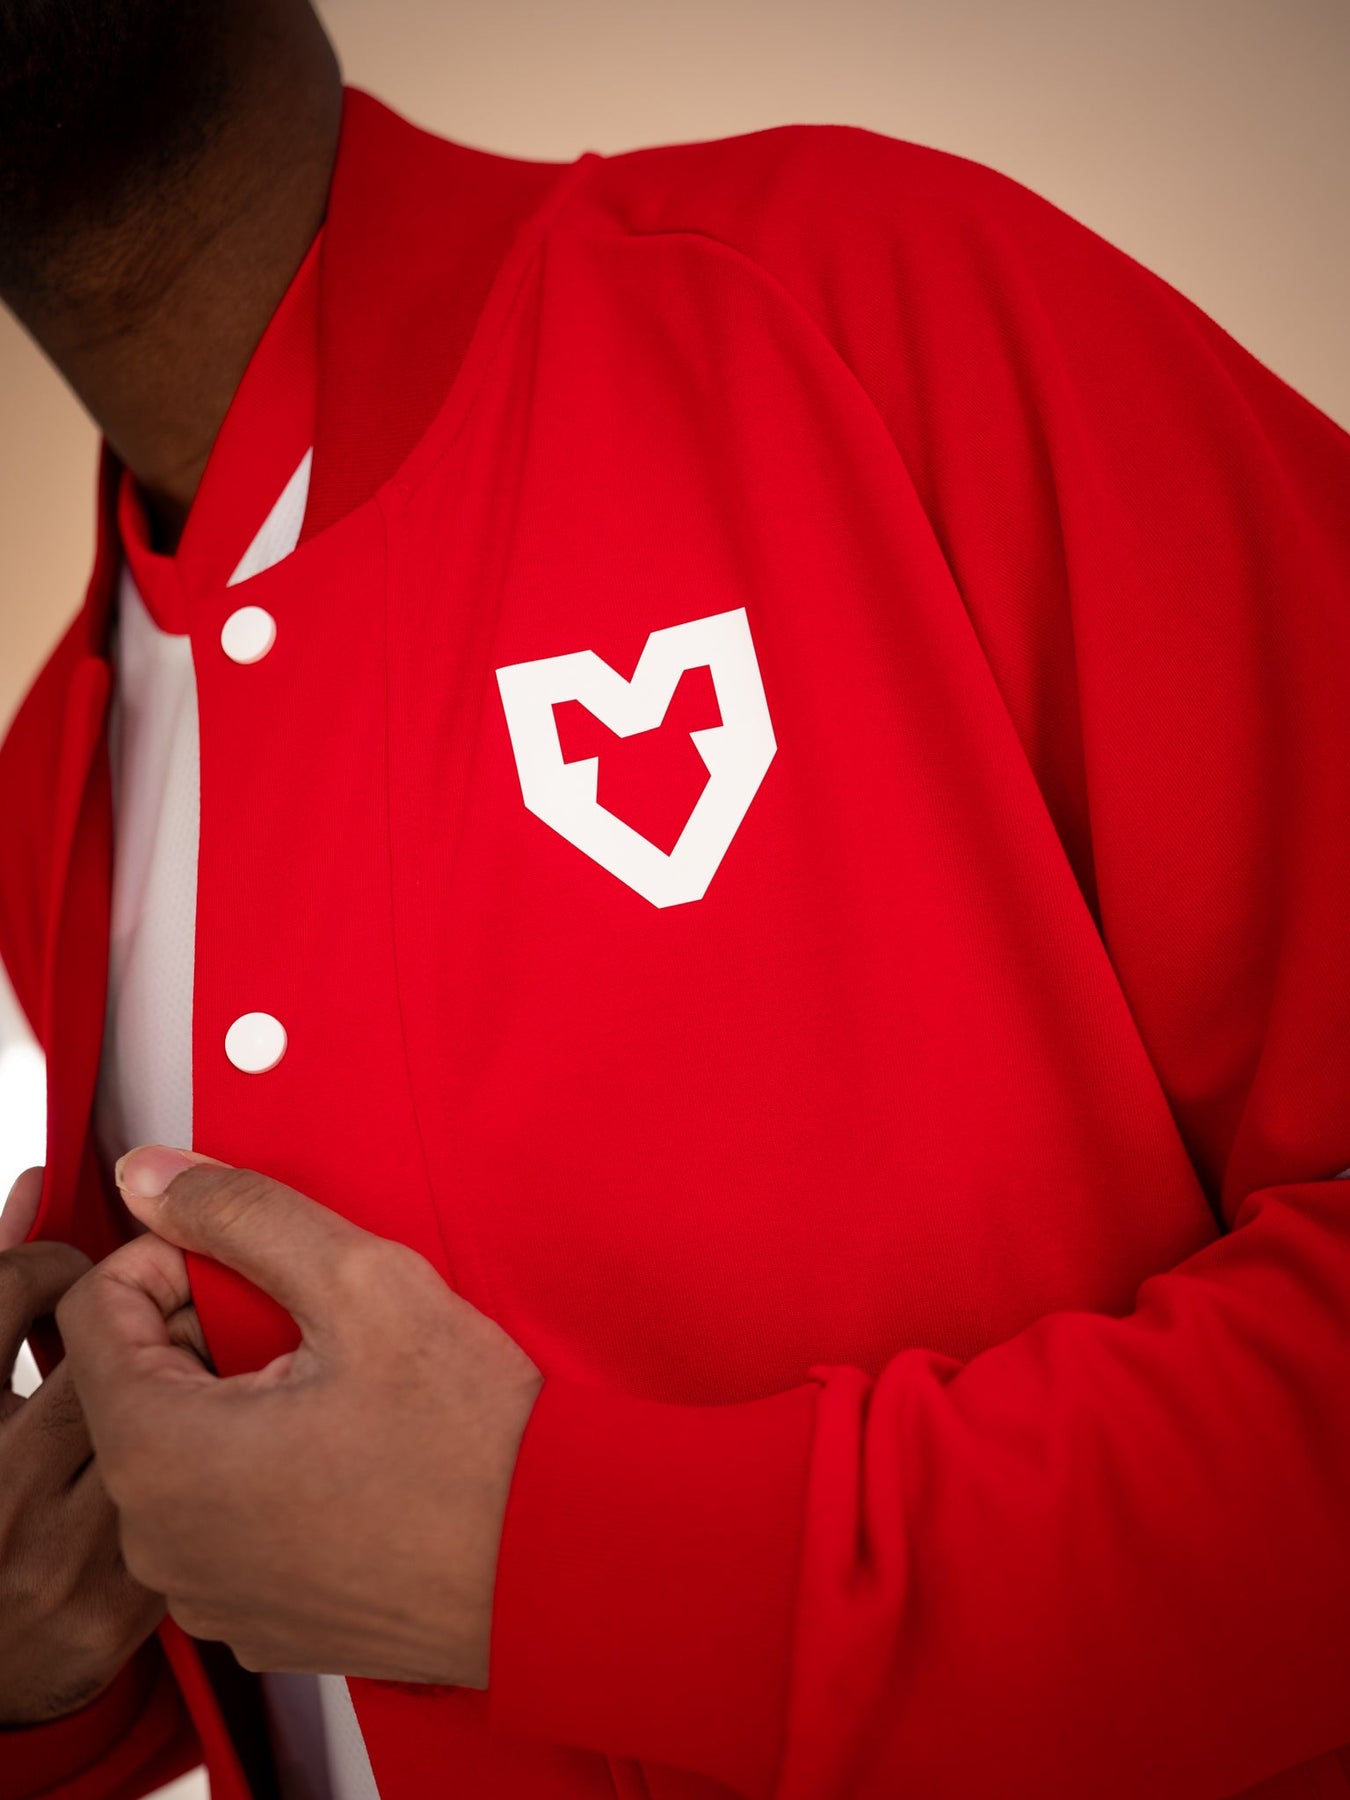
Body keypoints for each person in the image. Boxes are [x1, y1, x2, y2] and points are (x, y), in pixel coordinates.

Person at [1, 1, 1348, 1797]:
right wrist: (50, 1669)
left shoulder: (861, 302)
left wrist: (565, 1562)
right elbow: (301, 1601)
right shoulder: (50, 771)